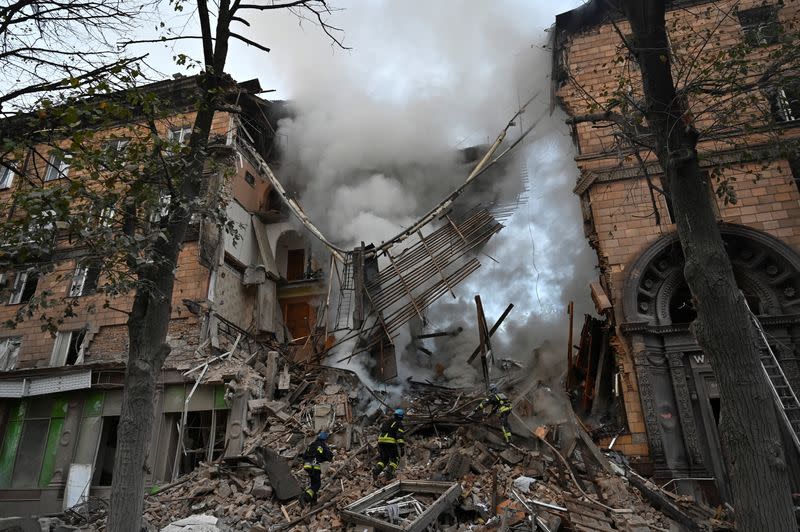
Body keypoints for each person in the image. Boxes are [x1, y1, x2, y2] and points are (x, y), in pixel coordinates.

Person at [372, 408, 406, 480]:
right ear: (401, 416)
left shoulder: (387, 421)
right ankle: (389, 472)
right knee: (395, 459)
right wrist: (402, 447)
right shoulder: (399, 423)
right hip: (390, 442)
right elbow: (399, 436)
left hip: (381, 441)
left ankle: (376, 470)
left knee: (384, 459)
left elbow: (382, 430)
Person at [300, 431, 333, 505]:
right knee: (317, 485)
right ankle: (306, 496)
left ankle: (313, 501)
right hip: (314, 467)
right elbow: (327, 456)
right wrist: (330, 456)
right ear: (324, 439)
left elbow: (304, 456)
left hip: (307, 466)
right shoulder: (321, 446)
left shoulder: (311, 445)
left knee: (314, 483)